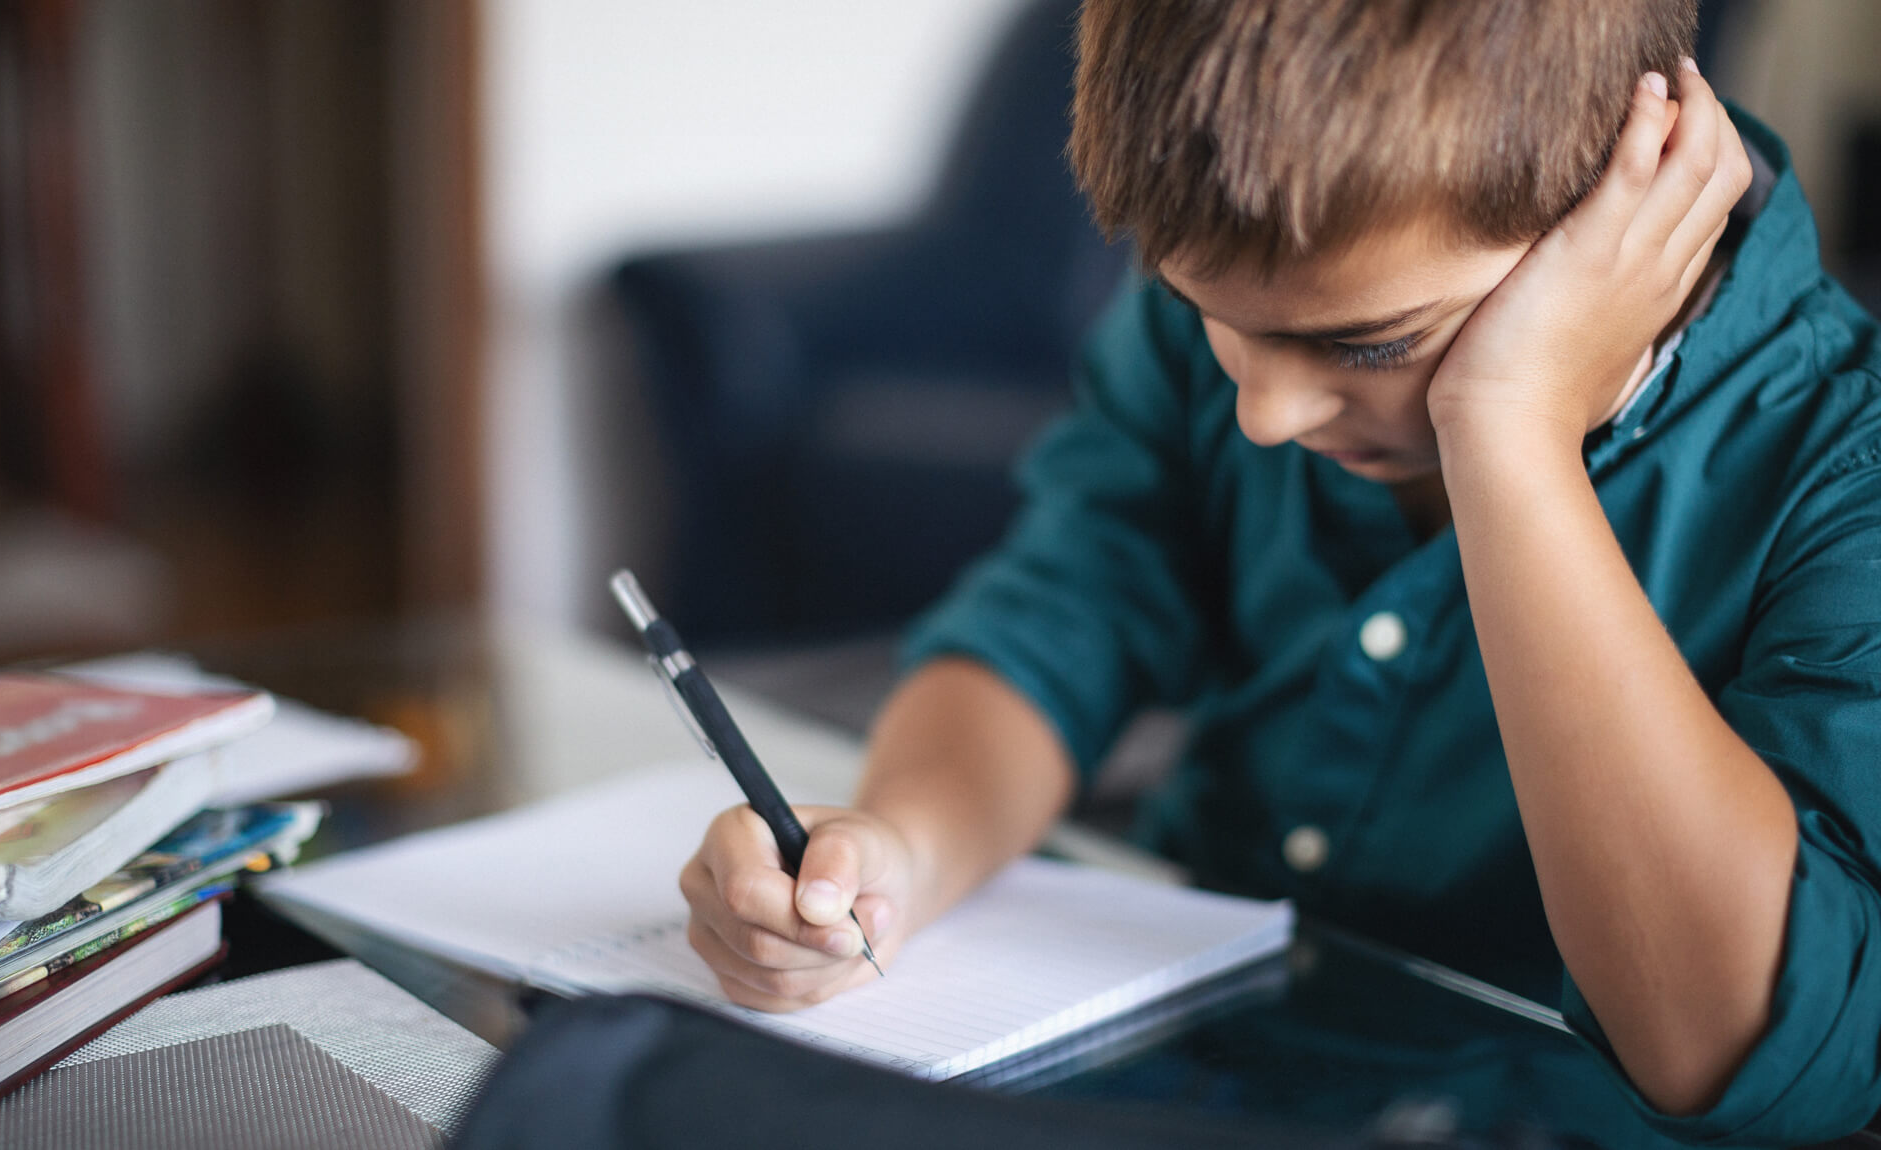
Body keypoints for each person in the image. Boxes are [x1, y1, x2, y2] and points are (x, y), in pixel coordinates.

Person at [677, 0, 1881, 1142]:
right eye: (1208, 311)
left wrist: (1507, 431)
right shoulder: (1259, 302)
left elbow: (1729, 1047)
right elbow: (1064, 606)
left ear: (1626, 183)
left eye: (1367, 343)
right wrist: (896, 849)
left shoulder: (1843, 463)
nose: (1264, 409)